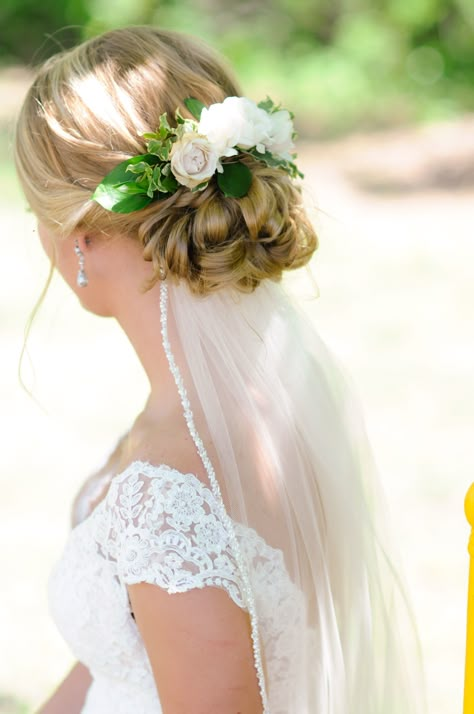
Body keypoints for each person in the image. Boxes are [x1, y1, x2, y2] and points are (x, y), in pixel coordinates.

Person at [14, 26, 425, 714]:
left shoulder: (170, 493)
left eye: (36, 211)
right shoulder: (255, 407)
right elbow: (116, 663)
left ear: (80, 236)